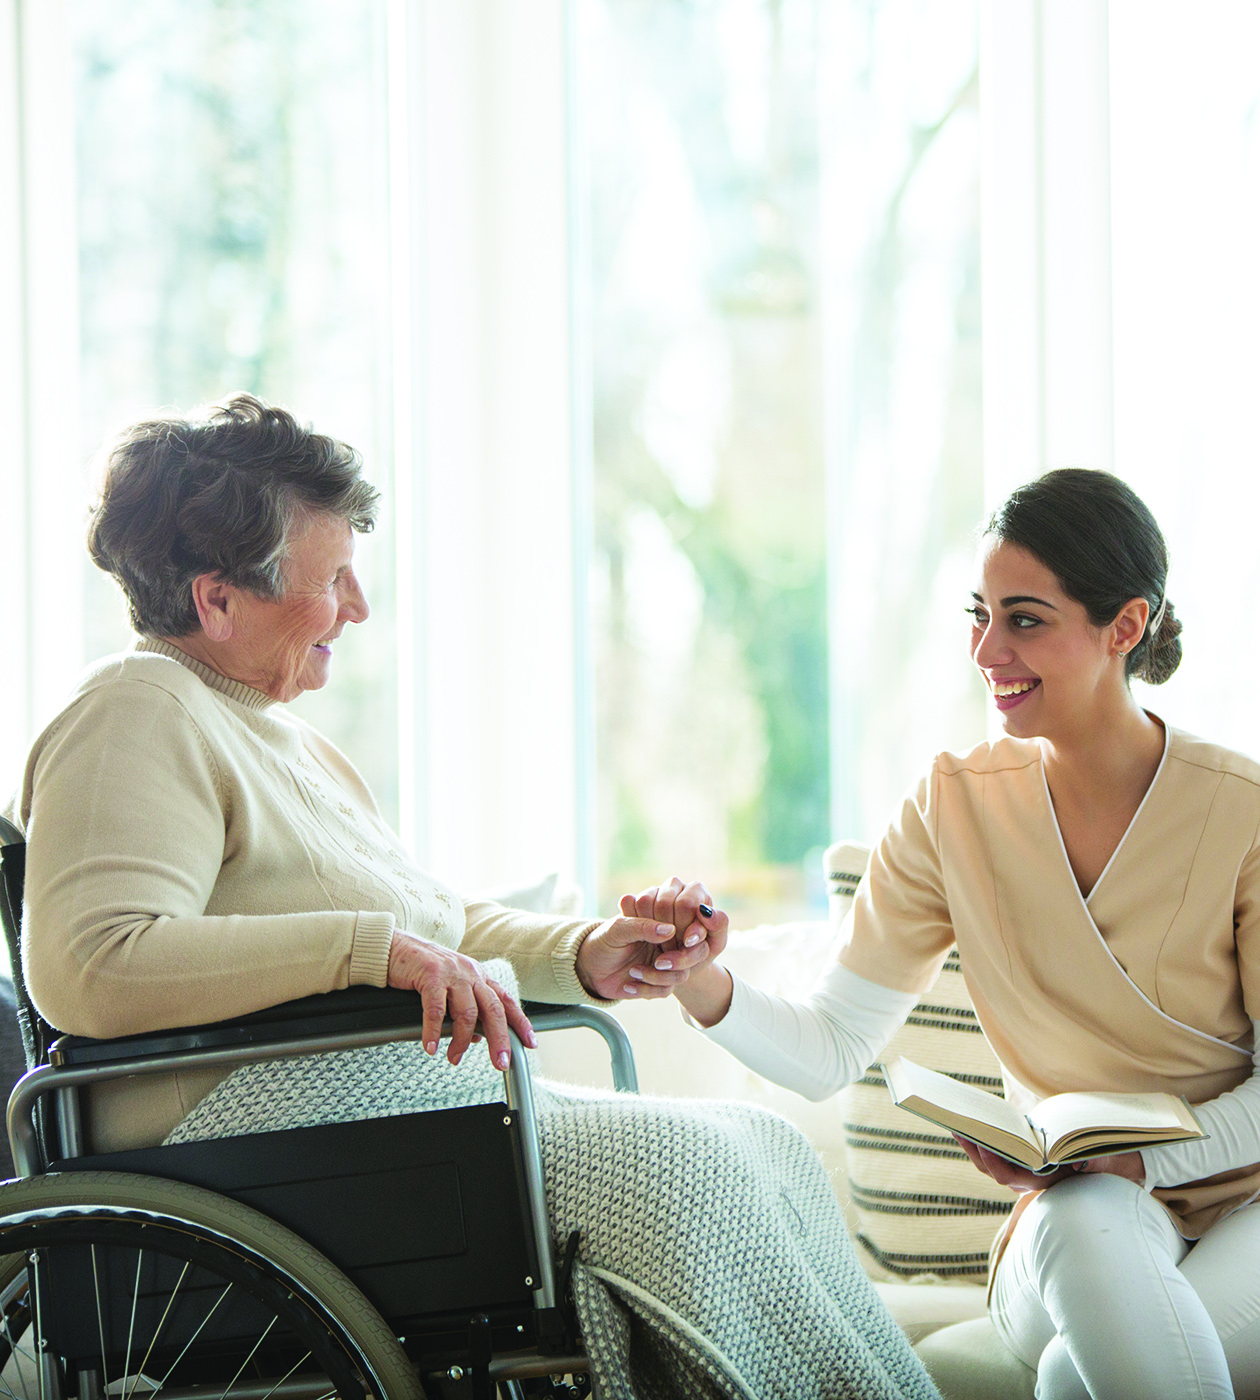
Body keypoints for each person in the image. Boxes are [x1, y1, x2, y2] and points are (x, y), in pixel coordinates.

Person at [11, 394, 937, 1400]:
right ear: (218, 598)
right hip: (248, 1145)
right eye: (330, 581)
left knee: (762, 1142)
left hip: (371, 1121)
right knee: (694, 1174)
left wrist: (589, 948)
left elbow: (439, 925)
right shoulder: (134, 710)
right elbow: (90, 967)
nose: (357, 609)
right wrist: (372, 951)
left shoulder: (281, 734)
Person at [640, 468, 1260, 1400]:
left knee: (1070, 1377)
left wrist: (1142, 1157)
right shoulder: (951, 808)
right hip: (1077, 1215)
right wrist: (695, 979)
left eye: (1025, 618)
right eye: (979, 613)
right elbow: (831, 1046)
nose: (986, 648)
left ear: (1125, 627)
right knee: (1085, 1222)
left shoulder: (1256, 813)